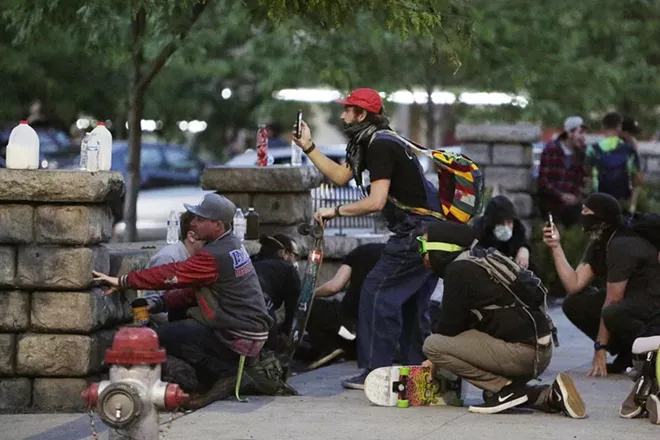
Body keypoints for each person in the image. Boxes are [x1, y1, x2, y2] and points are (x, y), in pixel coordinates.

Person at [293, 88, 441, 389]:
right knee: (412, 303)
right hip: (431, 231)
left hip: (416, 231)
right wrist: (309, 147)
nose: (342, 115)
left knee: (375, 293)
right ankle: (418, 374)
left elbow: (375, 201)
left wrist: (334, 210)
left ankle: (376, 373)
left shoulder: (381, 146)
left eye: (348, 110)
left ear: (362, 115)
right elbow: (340, 176)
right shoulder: (371, 141)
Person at [93, 193, 290, 408]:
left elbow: (170, 274)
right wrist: (159, 304)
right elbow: (195, 289)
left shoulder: (214, 254)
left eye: (200, 219)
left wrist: (124, 281)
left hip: (237, 333)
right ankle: (223, 374)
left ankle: (227, 373)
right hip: (249, 330)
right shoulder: (231, 243)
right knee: (181, 329)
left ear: (217, 225)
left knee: (156, 337)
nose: (193, 222)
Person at [420, 221, 586, 418]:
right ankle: (549, 395)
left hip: (523, 353)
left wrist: (432, 361)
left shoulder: (458, 271)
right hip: (540, 348)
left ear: (440, 249)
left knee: (433, 345)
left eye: (422, 246)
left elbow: (448, 329)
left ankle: (506, 390)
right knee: (488, 392)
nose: (421, 254)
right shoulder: (481, 258)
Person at [543, 193, 660, 378]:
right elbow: (574, 284)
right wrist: (556, 247)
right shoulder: (600, 242)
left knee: (612, 312)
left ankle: (647, 353)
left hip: (653, 305)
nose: (582, 215)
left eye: (587, 211)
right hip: (631, 302)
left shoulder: (622, 244)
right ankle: (626, 351)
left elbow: (613, 300)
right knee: (574, 303)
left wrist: (600, 348)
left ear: (602, 218)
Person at [305, 242, 386, 368]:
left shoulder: (360, 253)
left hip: (351, 326)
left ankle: (330, 348)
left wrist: (308, 295)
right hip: (380, 339)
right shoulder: (399, 258)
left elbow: (334, 287)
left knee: (311, 307)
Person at [143, 210, 206, 324]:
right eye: (207, 238)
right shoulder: (168, 258)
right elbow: (152, 303)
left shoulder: (200, 258)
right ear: (191, 237)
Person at [251, 234, 301, 353]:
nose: (295, 260)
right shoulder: (288, 269)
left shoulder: (251, 261)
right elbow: (294, 308)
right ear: (283, 253)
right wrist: (286, 333)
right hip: (261, 304)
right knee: (270, 351)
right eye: (295, 255)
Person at [537, 116, 587, 228]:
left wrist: (577, 196)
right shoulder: (551, 149)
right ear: (569, 133)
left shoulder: (582, 153)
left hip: (574, 206)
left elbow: (581, 181)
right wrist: (562, 196)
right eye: (580, 133)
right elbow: (543, 183)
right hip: (552, 203)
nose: (583, 137)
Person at [585, 112, 644, 207]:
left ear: (603, 127)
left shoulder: (592, 149)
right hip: (621, 199)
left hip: (599, 197)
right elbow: (638, 178)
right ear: (619, 127)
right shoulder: (629, 149)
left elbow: (587, 171)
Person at [471, 195, 534, 271]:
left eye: (509, 222)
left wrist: (524, 249)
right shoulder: (478, 234)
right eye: (500, 223)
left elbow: (522, 240)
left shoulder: (517, 231)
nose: (506, 227)